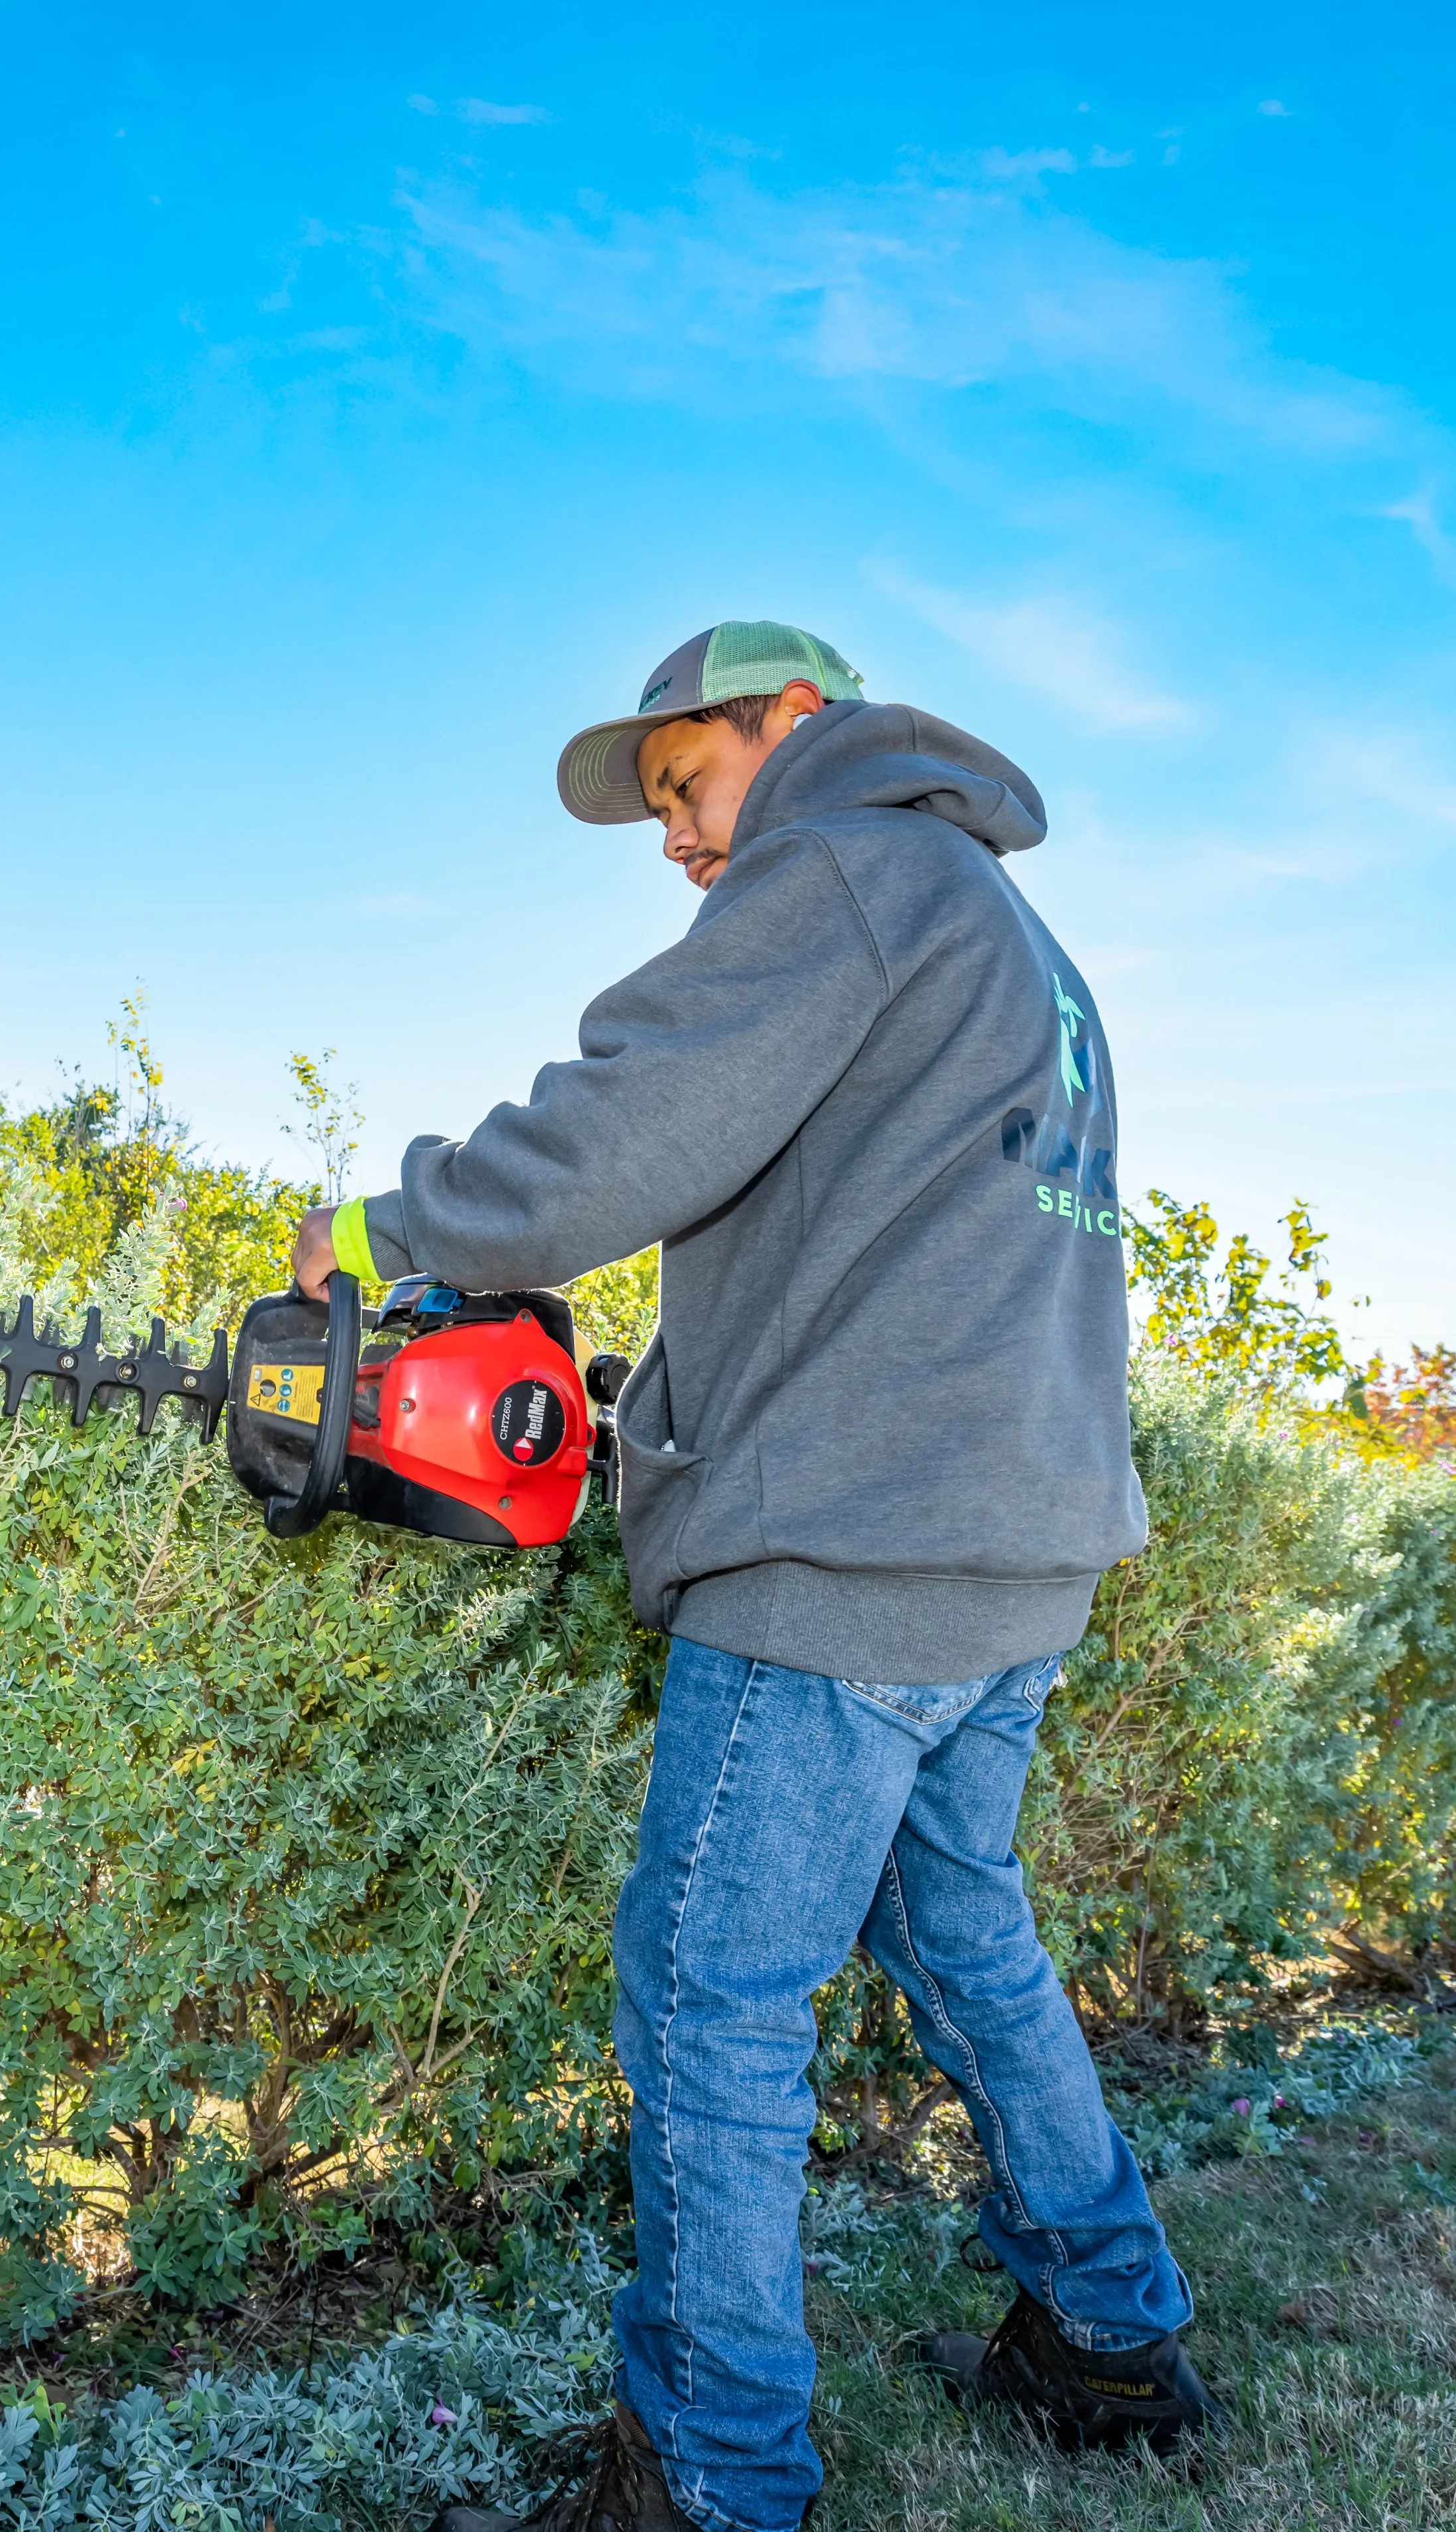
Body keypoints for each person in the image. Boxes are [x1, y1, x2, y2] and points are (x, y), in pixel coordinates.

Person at [286, 622, 1214, 2532]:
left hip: (844, 1568)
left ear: (794, 726)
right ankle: (1113, 2342)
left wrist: (382, 1229)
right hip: (1007, 1549)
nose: (676, 840)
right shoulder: (1007, 935)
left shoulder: (843, 866)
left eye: (686, 784)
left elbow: (625, 1127)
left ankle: (711, 2478)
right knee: (962, 1935)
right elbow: (877, 1246)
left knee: (711, 1990)